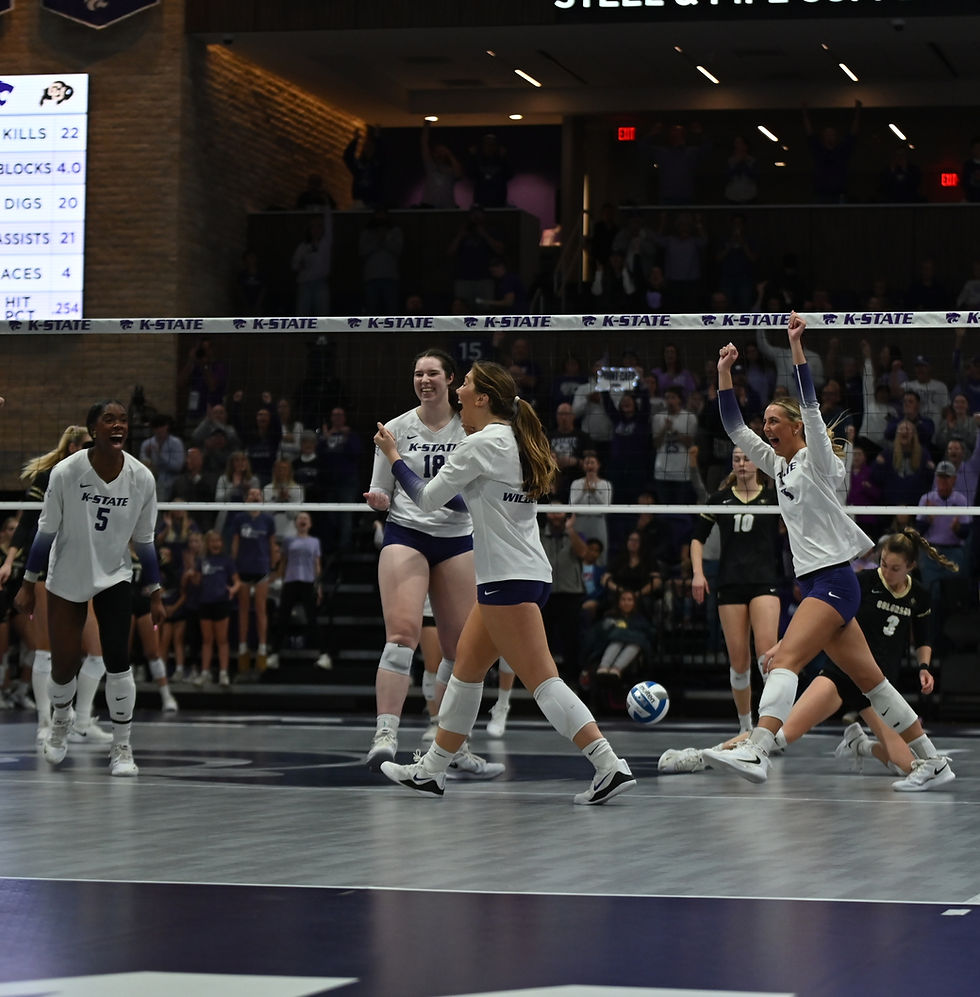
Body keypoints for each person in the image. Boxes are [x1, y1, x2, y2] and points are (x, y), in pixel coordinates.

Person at [704, 314, 954, 792]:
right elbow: (735, 429)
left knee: (784, 662)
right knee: (874, 683)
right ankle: (932, 759)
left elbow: (811, 403)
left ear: (796, 427)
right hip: (817, 583)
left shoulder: (818, 457)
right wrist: (723, 375)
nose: (766, 427)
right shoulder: (776, 466)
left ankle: (758, 747)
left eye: (775, 421)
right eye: (766, 423)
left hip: (835, 581)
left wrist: (796, 345)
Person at [374, 360, 635, 804]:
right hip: (524, 575)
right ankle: (432, 771)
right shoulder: (515, 439)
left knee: (544, 682)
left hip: (506, 581)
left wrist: (393, 455)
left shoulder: (477, 446)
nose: (458, 393)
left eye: (467, 386)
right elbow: (473, 503)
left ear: (483, 398)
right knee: (466, 672)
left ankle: (609, 764)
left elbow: (425, 498)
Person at [661, 531, 944, 779]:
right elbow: (817, 619)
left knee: (905, 764)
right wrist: (781, 646)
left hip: (874, 684)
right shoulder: (861, 583)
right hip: (840, 676)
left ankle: (861, 745)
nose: (888, 571)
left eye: (895, 568)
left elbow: (923, 636)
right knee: (780, 735)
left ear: (911, 567)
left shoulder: (918, 595)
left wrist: (924, 666)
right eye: (884, 563)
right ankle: (699, 756)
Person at [14, 401, 164, 777]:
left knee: (117, 661)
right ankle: (60, 721)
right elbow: (44, 531)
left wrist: (156, 590)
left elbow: (145, 541)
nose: (118, 425)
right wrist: (28, 583)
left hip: (114, 575)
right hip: (67, 575)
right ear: (93, 430)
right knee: (63, 666)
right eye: (109, 420)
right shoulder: (65, 472)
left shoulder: (142, 477)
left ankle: (122, 746)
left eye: (123, 420)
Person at [363, 350, 493, 777]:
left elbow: (471, 494)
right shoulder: (396, 428)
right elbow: (380, 490)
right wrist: (379, 499)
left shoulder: (471, 428)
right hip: (407, 533)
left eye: (433, 373)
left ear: (450, 379)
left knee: (461, 651)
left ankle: (451, 744)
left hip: (456, 539)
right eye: (418, 373)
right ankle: (385, 735)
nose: (424, 380)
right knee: (402, 635)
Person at [0, 425, 114, 744]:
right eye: (89, 444)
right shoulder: (50, 477)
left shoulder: (98, 480)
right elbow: (25, 525)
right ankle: (44, 722)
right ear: (73, 446)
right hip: (48, 568)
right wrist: (10, 562)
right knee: (46, 649)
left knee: (97, 653)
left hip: (84, 569)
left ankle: (82, 721)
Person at [690, 447, 781, 734]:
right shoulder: (720, 499)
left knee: (767, 657)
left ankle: (771, 727)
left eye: (747, 458)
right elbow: (696, 538)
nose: (742, 464)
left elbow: (799, 528)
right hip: (730, 584)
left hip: (764, 581)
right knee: (739, 663)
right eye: (737, 459)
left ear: (758, 463)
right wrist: (697, 574)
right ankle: (745, 728)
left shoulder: (774, 498)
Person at [230, 487, 277, 681]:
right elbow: (235, 545)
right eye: (251, 494)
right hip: (243, 570)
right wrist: (233, 569)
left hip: (261, 570)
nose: (255, 496)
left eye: (258, 494)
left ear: (262, 498)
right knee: (243, 611)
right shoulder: (240, 519)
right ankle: (242, 649)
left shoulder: (268, 520)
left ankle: (262, 650)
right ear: (246, 498)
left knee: (260, 611)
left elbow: (272, 544)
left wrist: (273, 568)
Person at [277, 512, 329, 670]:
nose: (303, 521)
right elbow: (283, 563)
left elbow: (317, 564)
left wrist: (318, 586)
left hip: (308, 583)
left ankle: (324, 655)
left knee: (312, 619)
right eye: (300, 518)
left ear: (310, 524)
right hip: (291, 582)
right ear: (296, 523)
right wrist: (280, 580)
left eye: (306, 519)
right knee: (282, 619)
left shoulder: (314, 542)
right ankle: (274, 654)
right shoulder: (288, 541)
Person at [192, 530, 240, 686]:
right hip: (205, 602)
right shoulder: (202, 560)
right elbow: (197, 582)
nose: (216, 544)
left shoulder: (226, 561)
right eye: (212, 541)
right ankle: (205, 673)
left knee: (222, 640)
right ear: (208, 543)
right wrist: (192, 574)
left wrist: (233, 590)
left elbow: (237, 582)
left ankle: (223, 673)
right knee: (207, 640)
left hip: (221, 603)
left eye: (218, 541)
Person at [588, 589, 655, 683]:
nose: (626, 602)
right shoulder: (610, 616)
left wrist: (623, 634)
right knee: (617, 640)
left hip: (635, 657)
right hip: (607, 649)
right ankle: (604, 667)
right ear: (618, 602)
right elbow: (601, 633)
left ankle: (616, 669)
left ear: (634, 603)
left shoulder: (641, 619)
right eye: (623, 599)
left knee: (635, 643)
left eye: (629, 600)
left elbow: (646, 637)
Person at [568, 451, 612, 555]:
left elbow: (606, 506)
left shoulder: (605, 484)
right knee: (578, 552)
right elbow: (572, 504)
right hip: (579, 521)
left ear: (598, 465)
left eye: (592, 463)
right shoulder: (576, 483)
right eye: (587, 463)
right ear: (583, 466)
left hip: (597, 521)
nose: (589, 466)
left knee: (599, 552)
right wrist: (583, 491)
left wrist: (594, 492)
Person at [419, 120, 462, 208]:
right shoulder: (430, 165)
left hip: (448, 206)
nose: (439, 153)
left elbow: (459, 174)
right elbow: (424, 144)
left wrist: (449, 154)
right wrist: (426, 126)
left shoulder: (450, 169)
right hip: (429, 205)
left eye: (441, 151)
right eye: (437, 151)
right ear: (433, 153)